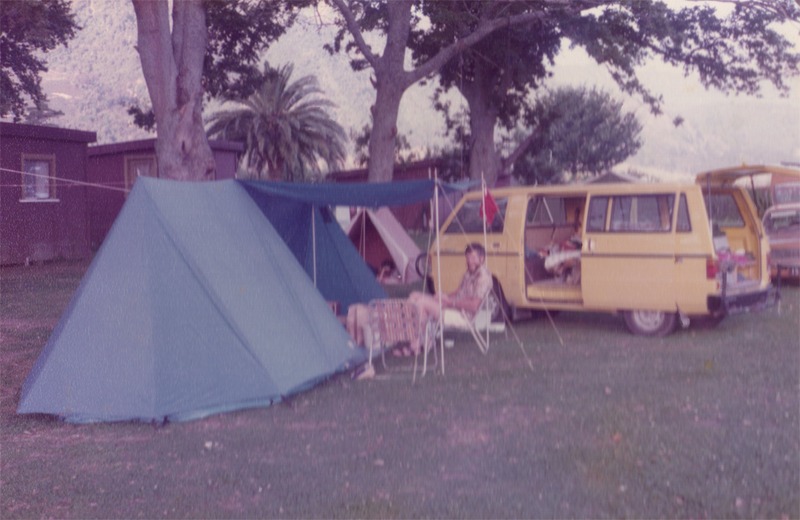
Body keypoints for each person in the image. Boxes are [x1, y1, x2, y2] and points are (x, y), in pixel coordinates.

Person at [402, 243, 493, 356]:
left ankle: (417, 344)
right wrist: (444, 297)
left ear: (481, 258)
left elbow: (474, 306)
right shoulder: (469, 273)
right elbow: (458, 292)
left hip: (463, 315)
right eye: (468, 257)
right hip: (453, 307)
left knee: (420, 304)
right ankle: (422, 339)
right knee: (414, 295)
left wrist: (450, 302)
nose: (470, 261)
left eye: (473, 258)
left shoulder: (482, 277)